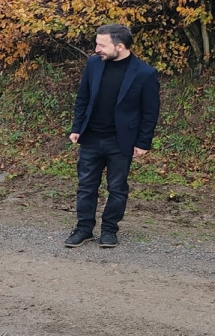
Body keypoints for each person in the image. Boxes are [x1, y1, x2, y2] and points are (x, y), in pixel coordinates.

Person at [65, 24, 160, 248]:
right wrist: (76, 127)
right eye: (97, 43)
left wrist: (143, 142)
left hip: (121, 141)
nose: (96, 48)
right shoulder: (93, 64)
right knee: (86, 185)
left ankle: (109, 230)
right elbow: (83, 98)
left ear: (120, 46)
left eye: (101, 45)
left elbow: (150, 112)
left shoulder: (145, 73)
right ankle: (84, 229)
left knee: (117, 188)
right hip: (91, 138)